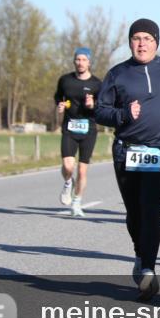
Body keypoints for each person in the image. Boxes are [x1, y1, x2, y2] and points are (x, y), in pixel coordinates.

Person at [95, 19, 160, 300]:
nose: (141, 43)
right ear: (130, 42)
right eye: (136, 38)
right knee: (134, 212)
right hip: (127, 151)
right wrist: (123, 113)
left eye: (147, 39)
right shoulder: (117, 74)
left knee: (151, 210)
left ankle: (148, 267)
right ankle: (140, 253)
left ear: (156, 43)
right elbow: (101, 111)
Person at [54, 48, 102, 217]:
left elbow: (101, 108)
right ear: (74, 61)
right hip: (69, 128)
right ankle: (68, 182)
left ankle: (77, 202)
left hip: (89, 130)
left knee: (82, 170)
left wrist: (92, 106)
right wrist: (60, 106)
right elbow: (58, 97)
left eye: (84, 59)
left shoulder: (97, 84)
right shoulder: (65, 80)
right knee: (68, 166)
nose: (80, 62)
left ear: (89, 62)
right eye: (78, 59)